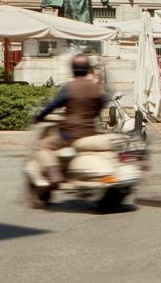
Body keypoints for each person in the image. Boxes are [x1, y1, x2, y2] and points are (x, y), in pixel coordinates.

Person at [33, 53, 107, 185]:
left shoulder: (69, 87)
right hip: (90, 131)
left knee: (42, 146)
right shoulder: (96, 88)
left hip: (70, 132)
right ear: (88, 69)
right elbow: (102, 104)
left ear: (73, 70)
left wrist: (39, 117)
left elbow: (52, 105)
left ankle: (55, 174)